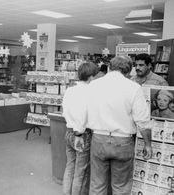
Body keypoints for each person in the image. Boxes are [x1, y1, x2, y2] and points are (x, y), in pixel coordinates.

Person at [86, 56, 152, 195]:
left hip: (98, 138)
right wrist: (148, 144)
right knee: (121, 186)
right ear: (128, 71)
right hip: (123, 141)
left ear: (110, 67)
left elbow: (85, 112)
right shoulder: (134, 88)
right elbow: (142, 121)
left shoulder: (93, 85)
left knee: (97, 184)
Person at [62, 62, 98, 195]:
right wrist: (80, 132)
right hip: (82, 134)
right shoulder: (89, 92)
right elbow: (83, 114)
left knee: (70, 166)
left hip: (69, 131)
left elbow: (65, 111)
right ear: (91, 77)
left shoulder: (70, 90)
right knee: (81, 172)